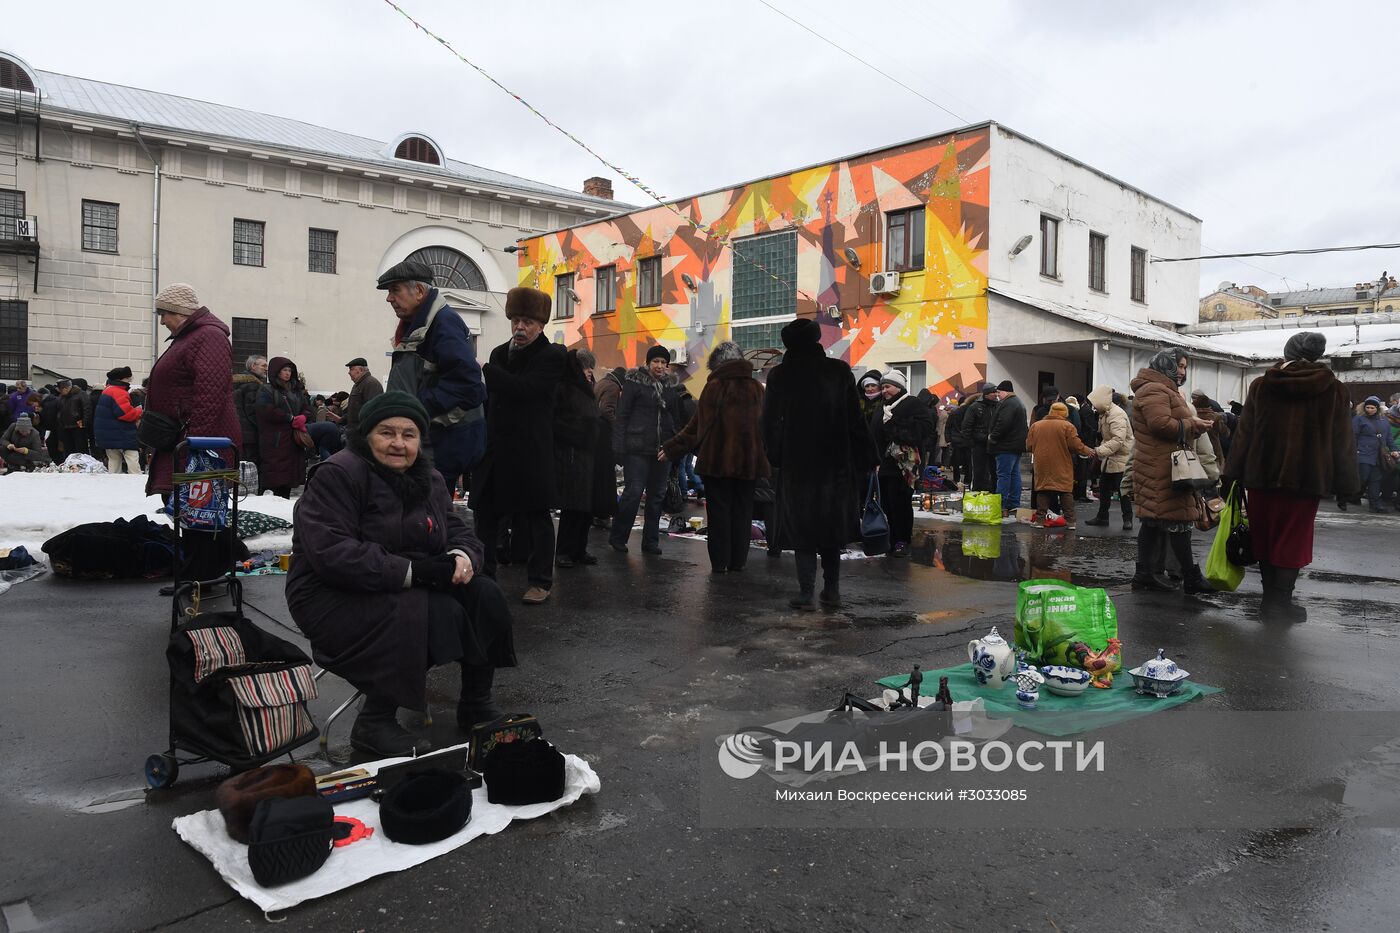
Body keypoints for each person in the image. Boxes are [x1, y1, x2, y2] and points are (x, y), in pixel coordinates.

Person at [286, 391, 516, 758]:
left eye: (409, 434)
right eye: (386, 433)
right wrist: (414, 572)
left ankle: (475, 702)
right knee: (430, 611)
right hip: (329, 593)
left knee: (483, 594)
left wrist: (461, 556)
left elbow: (457, 530)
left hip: (401, 581)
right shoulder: (340, 474)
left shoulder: (430, 478)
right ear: (366, 435)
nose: (398, 443)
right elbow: (331, 553)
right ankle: (374, 721)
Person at [1224, 332, 1357, 614]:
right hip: (1307, 481)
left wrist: (1231, 475)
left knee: (1265, 536)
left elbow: (1243, 434)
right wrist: (1347, 486)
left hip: (1261, 477)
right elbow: (1342, 441)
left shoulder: (1261, 385)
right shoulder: (1335, 389)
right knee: (1292, 540)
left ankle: (1267, 601)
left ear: (1288, 352)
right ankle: (1280, 603)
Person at [762, 319, 877, 610]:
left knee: (802, 530)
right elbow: (855, 419)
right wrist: (867, 457)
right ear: (816, 341)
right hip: (834, 463)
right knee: (830, 527)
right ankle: (832, 590)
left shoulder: (779, 376)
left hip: (797, 465)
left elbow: (770, 424)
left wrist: (775, 457)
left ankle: (805, 593)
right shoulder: (838, 371)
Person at [472, 287, 566, 604]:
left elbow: (526, 389)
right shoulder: (501, 353)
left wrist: (485, 370)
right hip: (497, 448)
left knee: (536, 516)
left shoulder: (552, 356)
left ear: (540, 325)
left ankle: (541, 581)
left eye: (527, 321)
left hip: (530, 450)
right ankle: (485, 574)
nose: (520, 328)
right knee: (485, 513)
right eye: (515, 320)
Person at [662, 340, 770, 574]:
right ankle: (738, 562)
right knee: (743, 513)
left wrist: (671, 447)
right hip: (748, 463)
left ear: (717, 364)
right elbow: (766, 428)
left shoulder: (716, 387)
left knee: (720, 514)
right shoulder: (757, 388)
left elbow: (697, 426)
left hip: (718, 463)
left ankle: (720, 563)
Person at [381, 260, 487, 490]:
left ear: (419, 291)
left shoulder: (443, 324)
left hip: (439, 449)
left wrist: (417, 409)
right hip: (428, 446)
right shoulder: (422, 324)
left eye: (394, 290)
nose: (389, 298)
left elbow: (470, 385)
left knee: (429, 517)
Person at [1128, 348, 1212, 593]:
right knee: (1179, 521)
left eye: (1185, 367)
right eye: (1180, 366)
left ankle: (1144, 574)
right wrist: (1192, 424)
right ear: (1167, 365)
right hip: (1162, 468)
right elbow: (1160, 424)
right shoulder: (1155, 389)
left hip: (1161, 465)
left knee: (1153, 523)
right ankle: (1191, 578)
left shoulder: (1160, 388)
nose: (1183, 371)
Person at [609, 345, 680, 556]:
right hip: (637, 449)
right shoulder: (634, 384)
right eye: (655, 361)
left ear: (667, 366)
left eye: (663, 363)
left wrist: (673, 447)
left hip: (662, 451)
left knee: (656, 497)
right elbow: (622, 416)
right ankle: (618, 537)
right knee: (633, 493)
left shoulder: (670, 388)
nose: (659, 366)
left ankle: (650, 542)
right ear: (648, 363)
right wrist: (618, 448)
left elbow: (675, 419)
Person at [869, 369, 933, 557]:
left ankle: (902, 540)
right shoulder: (882, 407)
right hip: (884, 463)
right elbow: (875, 435)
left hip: (905, 465)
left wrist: (894, 424)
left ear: (898, 387)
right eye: (882, 387)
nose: (884, 390)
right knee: (887, 503)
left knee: (901, 503)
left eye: (887, 386)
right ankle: (890, 538)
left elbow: (925, 429)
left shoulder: (912, 404)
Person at [553, 348, 600, 569]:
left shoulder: (588, 388)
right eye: (585, 366)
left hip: (588, 453)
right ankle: (563, 551)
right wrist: (577, 434)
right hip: (571, 452)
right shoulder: (564, 388)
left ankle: (579, 550)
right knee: (571, 504)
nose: (589, 371)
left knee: (585, 505)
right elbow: (556, 420)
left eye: (591, 366)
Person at [1025, 401, 1095, 527]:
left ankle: (1040, 520)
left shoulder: (1036, 426)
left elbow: (1029, 446)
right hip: (1062, 463)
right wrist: (1088, 451)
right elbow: (1076, 445)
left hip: (1042, 463)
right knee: (1065, 491)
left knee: (1043, 490)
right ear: (1065, 414)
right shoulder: (1068, 426)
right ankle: (1071, 521)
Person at [254, 357, 312, 498]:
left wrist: (303, 417)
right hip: (275, 440)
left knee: (288, 477)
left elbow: (307, 408)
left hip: (293, 441)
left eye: (290, 370)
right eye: (284, 370)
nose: (288, 373)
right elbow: (265, 409)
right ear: (277, 371)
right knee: (274, 476)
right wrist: (289, 418)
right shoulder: (267, 389)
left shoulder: (295, 390)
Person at [1084, 385, 1134, 530]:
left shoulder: (1116, 414)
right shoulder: (1105, 413)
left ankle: (1127, 519)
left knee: (1122, 490)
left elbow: (1118, 440)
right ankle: (1102, 517)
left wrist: (1098, 451)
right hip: (1111, 457)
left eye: (1095, 404)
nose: (1093, 407)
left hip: (1120, 458)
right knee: (1105, 489)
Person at [1350, 395, 1399, 512]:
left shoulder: (1384, 421)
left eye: (1372, 408)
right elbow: (1353, 436)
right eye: (1368, 407)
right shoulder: (1359, 419)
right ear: (1364, 407)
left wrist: (1394, 450)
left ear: (1377, 408)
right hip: (1363, 453)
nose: (1369, 410)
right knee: (1363, 477)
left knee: (1375, 479)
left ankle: (1375, 504)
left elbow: (1389, 438)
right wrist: (1354, 451)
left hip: (1379, 455)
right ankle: (1347, 496)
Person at [987, 380, 1027, 517]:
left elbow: (1002, 423)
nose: (997, 395)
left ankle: (1001, 505)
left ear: (1005, 391)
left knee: (1003, 476)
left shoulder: (1008, 404)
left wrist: (992, 437)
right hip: (1015, 446)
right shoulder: (1018, 402)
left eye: (999, 392)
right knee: (1014, 475)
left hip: (1005, 446)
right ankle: (1014, 504)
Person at [95, 366, 143, 475]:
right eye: (128, 378)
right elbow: (126, 414)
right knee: (132, 458)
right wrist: (139, 412)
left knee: (114, 462)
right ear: (121, 379)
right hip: (122, 433)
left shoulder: (107, 390)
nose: (130, 381)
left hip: (108, 433)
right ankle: (137, 483)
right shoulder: (119, 392)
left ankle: (114, 485)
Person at [592, 366, 624, 526]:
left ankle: (594, 512)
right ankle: (603, 514)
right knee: (605, 477)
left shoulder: (602, 382)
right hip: (603, 436)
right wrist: (617, 426)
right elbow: (607, 410)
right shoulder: (613, 387)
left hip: (593, 433)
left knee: (596, 476)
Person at [960, 384, 998, 491]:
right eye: (993, 393)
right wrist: (971, 443)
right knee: (979, 471)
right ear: (986, 394)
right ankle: (978, 494)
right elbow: (966, 427)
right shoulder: (975, 407)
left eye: (996, 392)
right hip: (979, 445)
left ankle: (991, 494)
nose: (996, 395)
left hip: (993, 444)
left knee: (993, 471)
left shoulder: (997, 405)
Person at [344, 357, 384, 435]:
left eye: (351, 369)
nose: (349, 372)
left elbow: (371, 412)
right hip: (354, 432)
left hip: (362, 434)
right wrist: (341, 419)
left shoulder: (371, 384)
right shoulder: (358, 385)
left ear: (361, 370)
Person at [57, 379, 89, 462]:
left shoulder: (81, 394)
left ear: (66, 388)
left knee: (81, 449)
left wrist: (84, 422)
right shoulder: (62, 397)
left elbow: (87, 409)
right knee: (69, 450)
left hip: (78, 426)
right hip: (66, 426)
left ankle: (82, 464)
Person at [945, 396, 970, 486]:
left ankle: (957, 479)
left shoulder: (954, 413)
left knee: (956, 461)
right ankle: (968, 480)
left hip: (956, 440)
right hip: (966, 440)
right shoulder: (970, 412)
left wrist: (948, 439)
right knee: (968, 461)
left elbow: (948, 427)